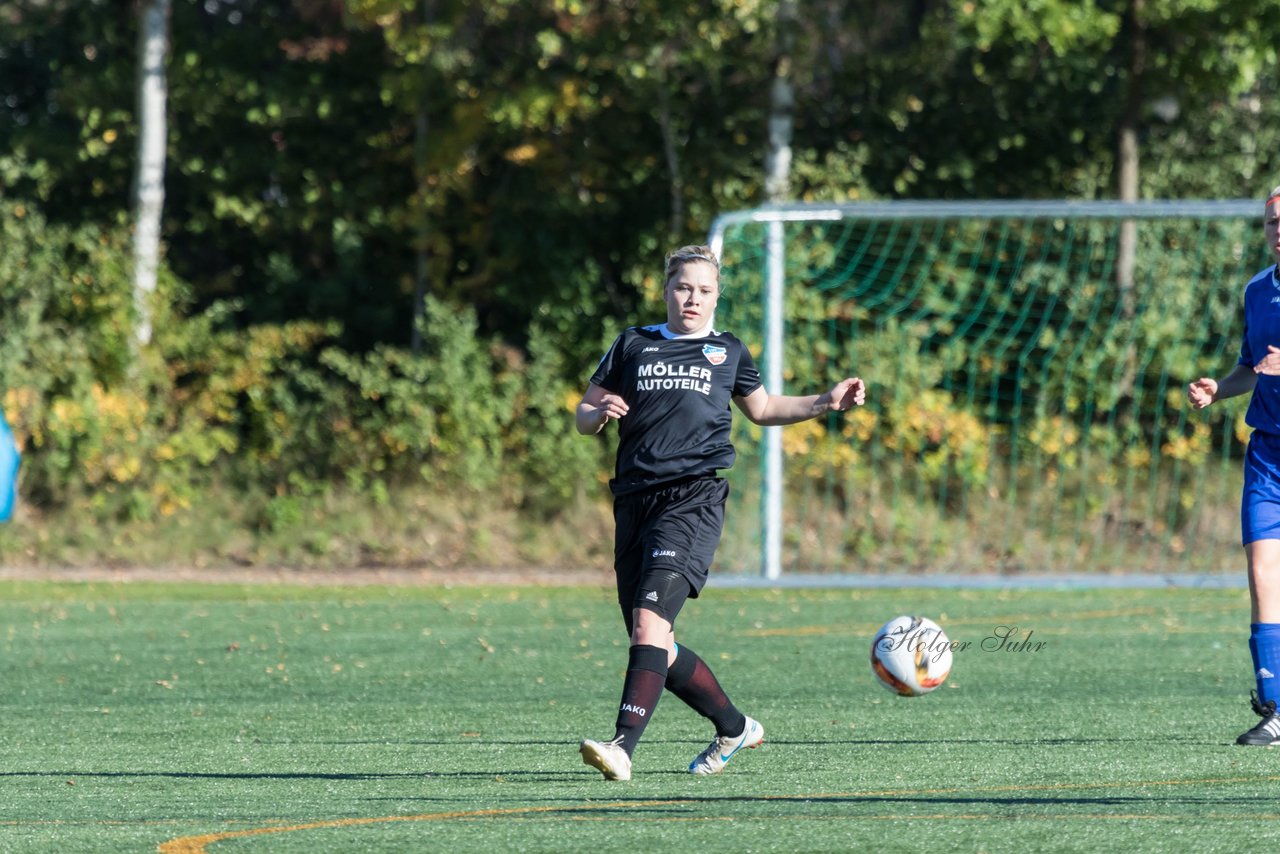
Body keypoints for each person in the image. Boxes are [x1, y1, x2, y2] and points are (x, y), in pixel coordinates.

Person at [574, 244, 867, 780]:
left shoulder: (727, 350)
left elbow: (763, 409)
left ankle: (622, 747)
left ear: (716, 297)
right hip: (635, 501)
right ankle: (735, 727)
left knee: (648, 625)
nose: (693, 298)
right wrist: (598, 414)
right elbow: (583, 412)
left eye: (705, 290)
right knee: (653, 642)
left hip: (693, 500)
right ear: (666, 290)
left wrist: (825, 402)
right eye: (684, 287)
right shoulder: (632, 344)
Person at [1189, 184, 1280, 746]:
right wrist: (1218, 390)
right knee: (1262, 576)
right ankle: (1275, 707)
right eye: (1272, 221)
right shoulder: (1256, 291)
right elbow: (1253, 366)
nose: (1279, 229)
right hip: (1269, 454)